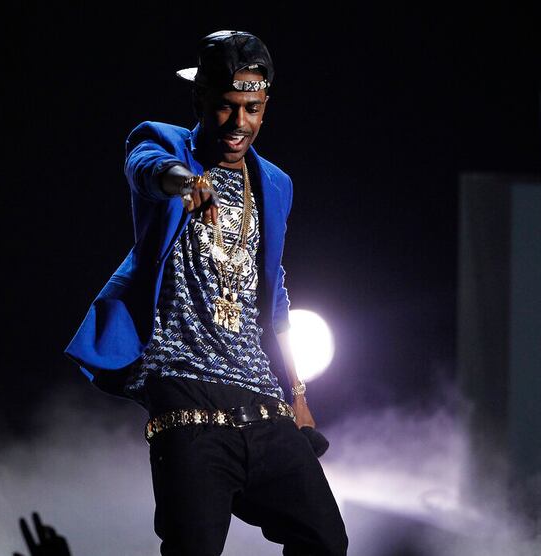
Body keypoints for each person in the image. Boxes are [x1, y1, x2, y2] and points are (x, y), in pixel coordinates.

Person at [65, 30, 347, 555]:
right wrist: (183, 181)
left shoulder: (276, 184)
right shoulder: (165, 144)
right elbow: (145, 168)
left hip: (261, 396)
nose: (239, 122)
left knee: (326, 541)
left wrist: (298, 393)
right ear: (199, 100)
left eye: (252, 109)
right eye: (224, 106)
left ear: (265, 107)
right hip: (185, 389)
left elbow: (273, 294)